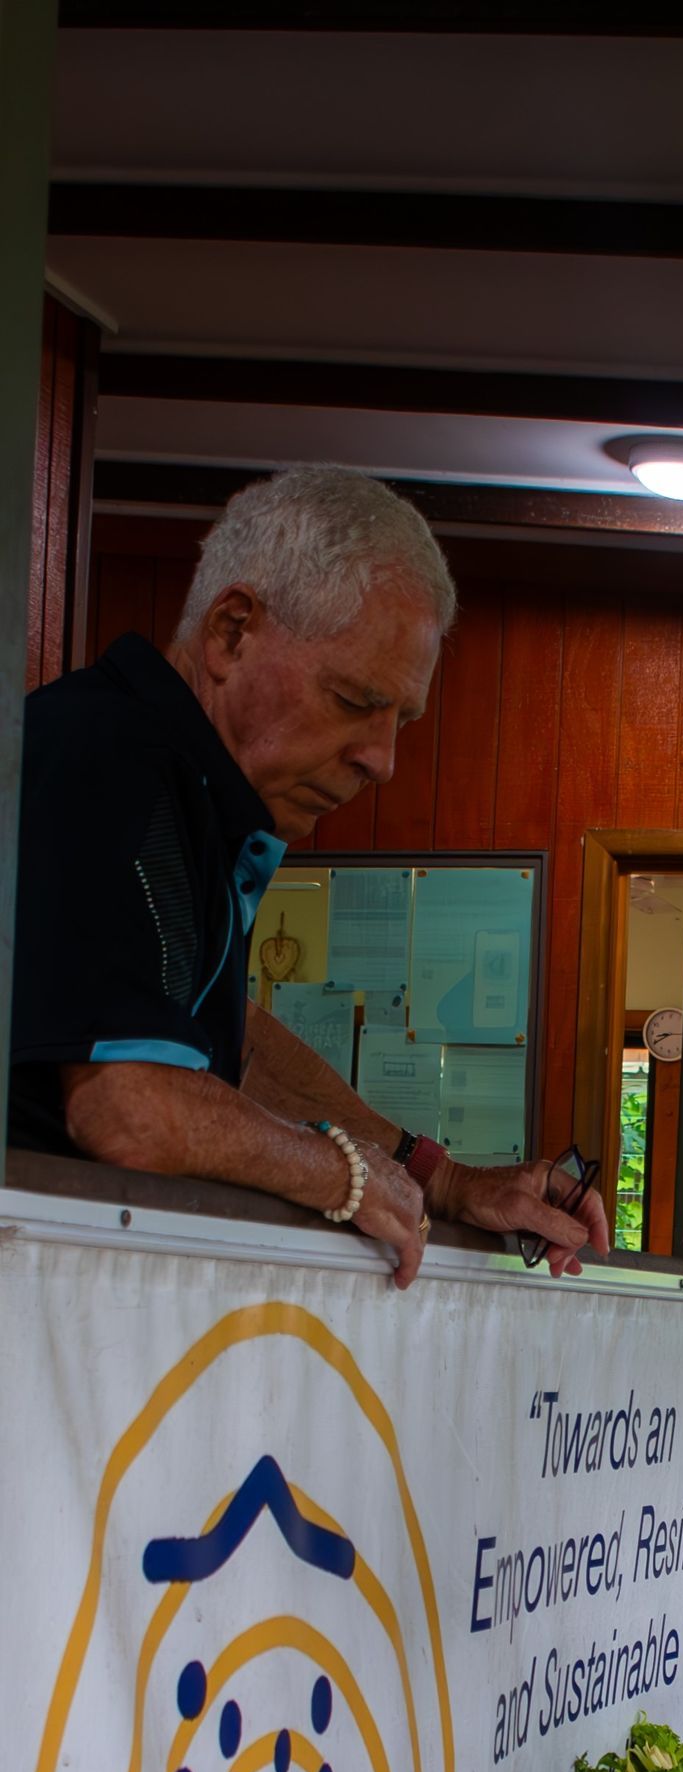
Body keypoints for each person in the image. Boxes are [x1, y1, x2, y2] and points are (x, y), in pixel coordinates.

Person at [9, 465, 609, 1289]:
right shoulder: (107, 762)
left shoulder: (190, 792)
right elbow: (131, 1107)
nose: (383, 760)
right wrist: (343, 1175)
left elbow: (235, 1045)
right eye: (355, 699)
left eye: (401, 719)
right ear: (231, 633)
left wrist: (440, 1177)